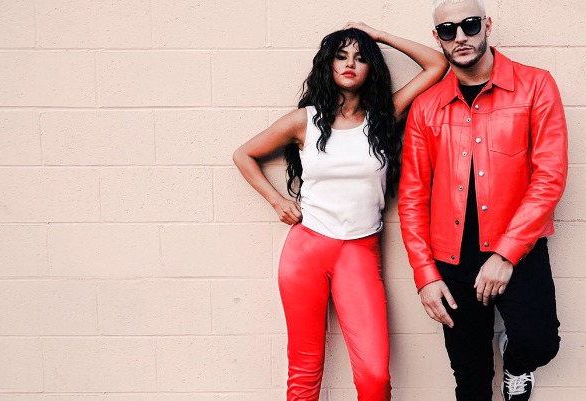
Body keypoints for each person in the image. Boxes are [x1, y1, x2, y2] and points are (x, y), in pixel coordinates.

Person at [232, 22, 447, 401]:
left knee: (375, 376)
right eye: (341, 56)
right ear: (328, 64)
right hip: (306, 251)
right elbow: (243, 154)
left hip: (360, 253)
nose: (350, 64)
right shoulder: (305, 121)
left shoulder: (383, 116)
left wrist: (378, 35)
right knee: (304, 369)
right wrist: (278, 201)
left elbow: (436, 65)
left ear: (371, 68)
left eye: (360, 58)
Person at [397, 0, 568, 400]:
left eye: (470, 25)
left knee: (540, 343)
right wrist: (425, 275)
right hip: (451, 261)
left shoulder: (536, 85)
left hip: (519, 251)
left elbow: (549, 177)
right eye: (448, 30)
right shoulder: (426, 107)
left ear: (487, 25)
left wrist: (506, 254)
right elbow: (412, 197)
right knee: (471, 380)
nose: (460, 37)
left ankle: (517, 362)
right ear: (437, 37)